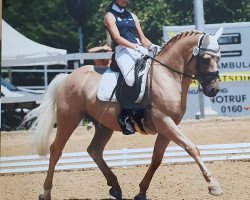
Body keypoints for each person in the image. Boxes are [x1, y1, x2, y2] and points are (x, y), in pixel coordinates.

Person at [104, 0, 158, 135]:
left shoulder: (132, 16)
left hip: (138, 48)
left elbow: (142, 37)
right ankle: (125, 114)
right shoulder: (109, 16)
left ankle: (145, 107)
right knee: (130, 78)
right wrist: (135, 47)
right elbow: (117, 38)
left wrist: (154, 47)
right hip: (122, 50)